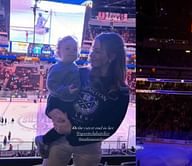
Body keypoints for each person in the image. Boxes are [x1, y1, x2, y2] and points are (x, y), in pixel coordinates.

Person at [42, 32, 129, 166]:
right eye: (92, 49)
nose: (91, 53)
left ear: (111, 56)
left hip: (89, 147)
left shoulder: (121, 92)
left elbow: (108, 128)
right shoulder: (79, 73)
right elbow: (56, 95)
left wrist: (72, 130)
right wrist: (52, 110)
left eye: (97, 51)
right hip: (60, 139)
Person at [35, 35, 80, 158]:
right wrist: (66, 90)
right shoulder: (56, 68)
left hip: (68, 102)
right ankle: (44, 140)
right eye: (67, 48)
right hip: (57, 102)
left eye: (74, 49)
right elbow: (51, 85)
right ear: (59, 52)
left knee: (68, 126)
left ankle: (46, 140)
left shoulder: (76, 68)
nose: (72, 51)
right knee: (65, 124)